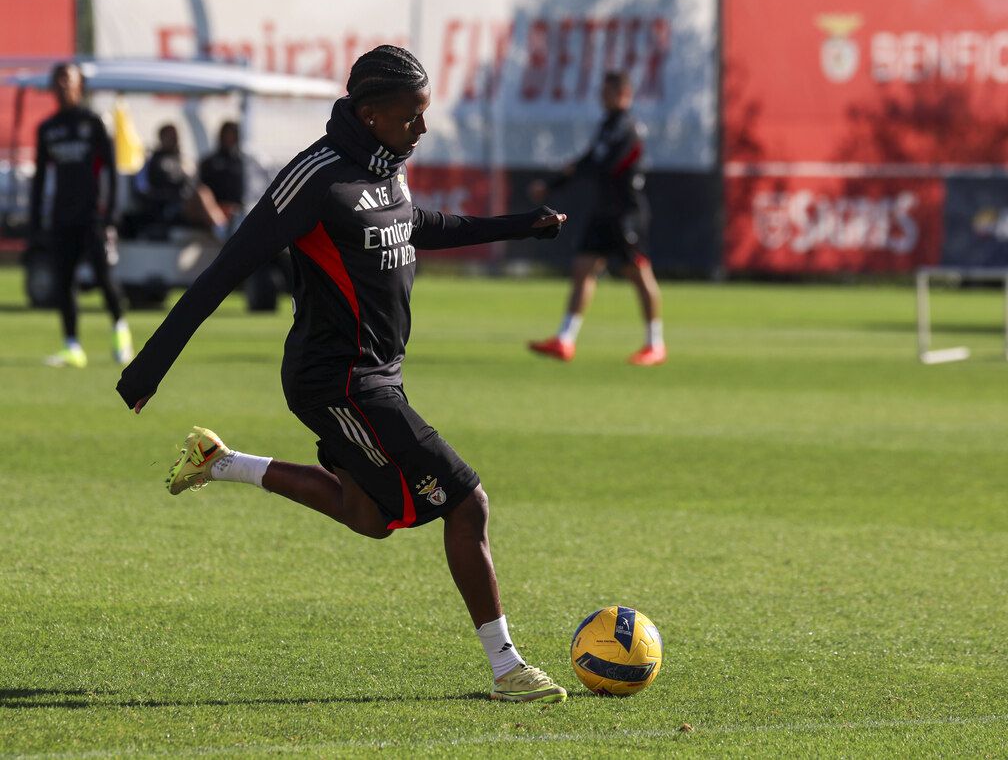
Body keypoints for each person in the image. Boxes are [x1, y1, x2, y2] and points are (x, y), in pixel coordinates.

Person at [116, 45, 571, 703]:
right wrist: (149, 367)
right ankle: (508, 669)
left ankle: (221, 462)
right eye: (411, 116)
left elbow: (417, 225)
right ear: (370, 114)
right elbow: (228, 266)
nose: (422, 127)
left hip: (380, 374)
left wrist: (519, 227)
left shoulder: (387, 166)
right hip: (338, 381)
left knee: (368, 515)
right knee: (466, 500)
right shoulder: (315, 177)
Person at [526, 70, 665, 366]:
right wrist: (552, 185)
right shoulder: (607, 126)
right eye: (602, 92)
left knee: (639, 274)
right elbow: (589, 160)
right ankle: (565, 339)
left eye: (608, 92)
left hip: (626, 213)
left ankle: (655, 344)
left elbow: (606, 165)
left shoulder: (629, 128)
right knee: (582, 269)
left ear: (624, 94)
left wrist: (570, 174)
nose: (603, 97)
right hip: (604, 211)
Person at [28, 62, 133, 368]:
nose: (63, 85)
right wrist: (36, 222)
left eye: (69, 79)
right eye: (58, 80)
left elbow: (112, 169)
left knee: (103, 276)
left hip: (93, 216)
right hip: (62, 217)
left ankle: (120, 329)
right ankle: (72, 345)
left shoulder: (94, 123)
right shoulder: (48, 129)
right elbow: (39, 178)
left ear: (79, 86)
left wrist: (111, 211)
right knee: (64, 281)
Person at [198, 120, 254, 222]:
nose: (230, 138)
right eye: (227, 134)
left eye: (233, 134)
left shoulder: (243, 162)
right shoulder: (208, 162)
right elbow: (203, 190)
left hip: (237, 210)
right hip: (214, 210)